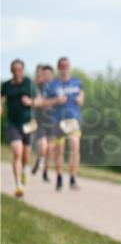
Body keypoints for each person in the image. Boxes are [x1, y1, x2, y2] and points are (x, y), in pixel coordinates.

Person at [41, 57, 84, 191]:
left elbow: (82, 97)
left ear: (69, 67)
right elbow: (44, 103)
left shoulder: (77, 82)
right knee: (59, 150)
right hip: (57, 120)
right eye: (62, 66)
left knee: (74, 145)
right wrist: (56, 100)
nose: (65, 69)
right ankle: (59, 176)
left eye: (67, 66)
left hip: (72, 119)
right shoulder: (52, 85)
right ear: (59, 68)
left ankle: (72, 178)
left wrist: (80, 99)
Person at [1, 59, 36, 198]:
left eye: (19, 69)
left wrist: (31, 101)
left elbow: (39, 100)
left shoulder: (29, 83)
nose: (17, 72)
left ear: (23, 70)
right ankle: (18, 185)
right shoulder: (6, 86)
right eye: (14, 69)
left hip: (28, 123)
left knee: (26, 156)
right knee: (17, 153)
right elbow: (1, 98)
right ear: (11, 71)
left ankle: (23, 171)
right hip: (12, 123)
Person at [30, 64, 56, 182]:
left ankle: (45, 171)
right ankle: (38, 160)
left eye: (45, 74)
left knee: (50, 149)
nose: (43, 76)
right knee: (43, 145)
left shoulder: (55, 86)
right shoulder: (35, 86)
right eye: (40, 74)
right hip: (40, 120)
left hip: (53, 121)